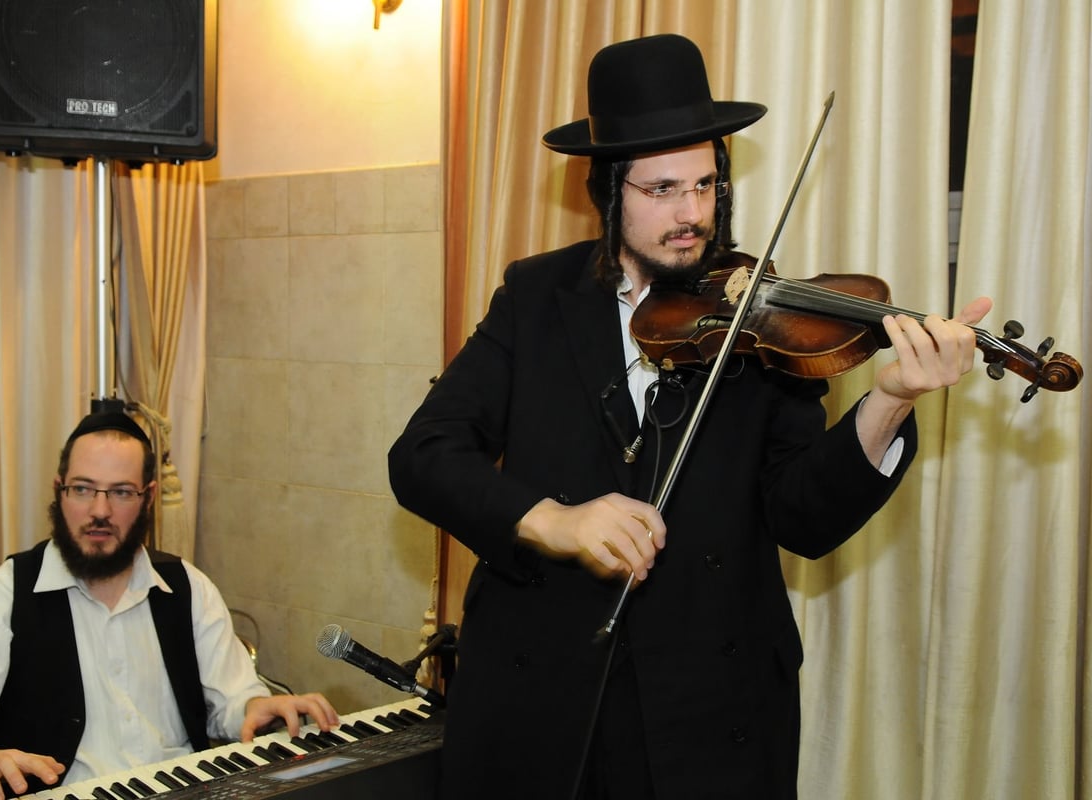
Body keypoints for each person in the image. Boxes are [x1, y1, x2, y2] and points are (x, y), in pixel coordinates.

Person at [387, 33, 990, 800]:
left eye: (706, 185)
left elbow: (802, 517)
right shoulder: (535, 297)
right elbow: (424, 456)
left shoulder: (758, 314)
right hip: (543, 699)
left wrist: (890, 400)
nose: (692, 213)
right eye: (663, 189)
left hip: (710, 710)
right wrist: (554, 521)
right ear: (609, 192)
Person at [0, 410, 339, 800]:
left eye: (121, 492)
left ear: (147, 498)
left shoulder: (187, 587)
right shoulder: (3, 596)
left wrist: (252, 709)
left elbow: (233, 704)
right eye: (83, 489)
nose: (100, 511)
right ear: (59, 491)